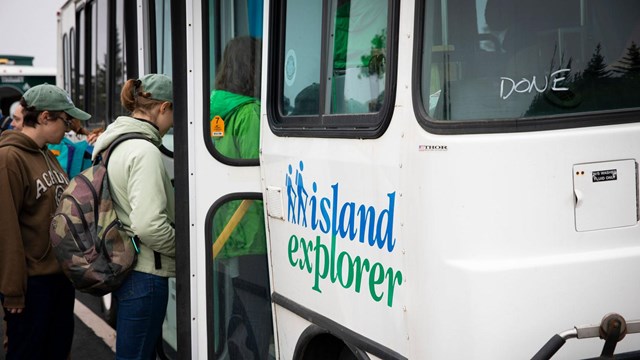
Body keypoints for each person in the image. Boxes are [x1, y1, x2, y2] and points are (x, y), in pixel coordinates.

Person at [0, 84, 91, 360]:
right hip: (32, 286)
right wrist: (13, 291)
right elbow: (6, 230)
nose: (69, 128)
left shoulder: (45, 155)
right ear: (45, 117)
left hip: (58, 281)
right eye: (66, 120)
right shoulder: (9, 158)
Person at [90, 74, 175, 360]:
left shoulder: (115, 142)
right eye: (174, 113)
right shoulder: (144, 151)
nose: (174, 123)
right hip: (146, 272)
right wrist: (184, 250)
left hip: (125, 264)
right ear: (163, 108)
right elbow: (149, 225)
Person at [210, 36, 273, 359]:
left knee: (236, 313)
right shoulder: (250, 113)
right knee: (257, 320)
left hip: (223, 230)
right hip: (253, 234)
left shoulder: (210, 109)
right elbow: (262, 168)